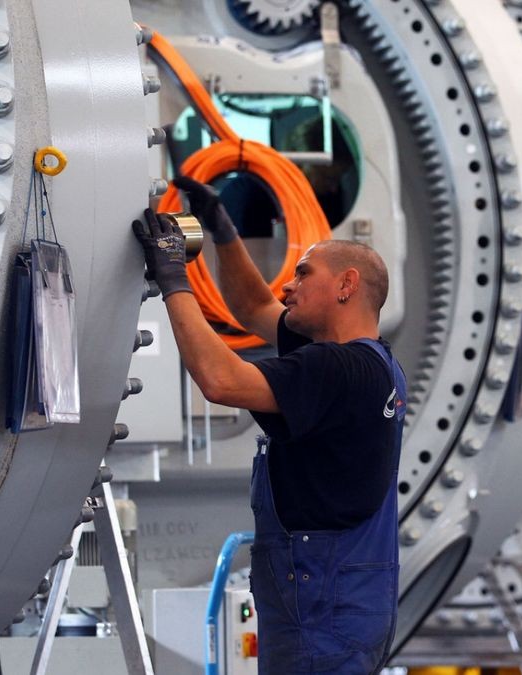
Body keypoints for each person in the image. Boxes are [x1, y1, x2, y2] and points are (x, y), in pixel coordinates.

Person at [132, 176, 406, 674]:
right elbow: (253, 308)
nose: (288, 284)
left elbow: (220, 380)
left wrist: (172, 276)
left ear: (347, 285)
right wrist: (222, 230)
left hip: (322, 604)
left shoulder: (338, 370)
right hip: (339, 597)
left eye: (303, 274)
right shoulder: (373, 365)